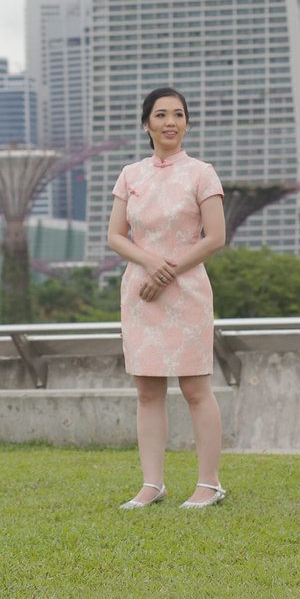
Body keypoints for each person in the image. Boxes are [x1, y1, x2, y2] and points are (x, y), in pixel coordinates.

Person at [108, 86, 228, 509]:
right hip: (141, 292)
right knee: (147, 389)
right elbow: (116, 236)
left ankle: (209, 483)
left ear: (187, 124)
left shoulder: (201, 173)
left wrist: (169, 271)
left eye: (178, 114)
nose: (170, 122)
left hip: (186, 290)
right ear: (147, 124)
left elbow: (215, 237)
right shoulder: (130, 175)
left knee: (195, 387)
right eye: (161, 115)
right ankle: (152, 483)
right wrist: (149, 263)